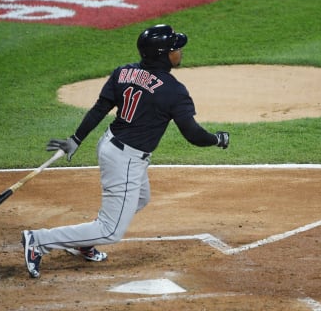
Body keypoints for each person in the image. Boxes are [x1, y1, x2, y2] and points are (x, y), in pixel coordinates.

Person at [21, 24, 230, 278]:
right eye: (175, 48)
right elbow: (193, 135)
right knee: (110, 231)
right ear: (163, 54)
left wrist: (76, 139)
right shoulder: (173, 91)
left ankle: (83, 242)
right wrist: (217, 139)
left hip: (112, 144)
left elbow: (100, 108)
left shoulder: (124, 72)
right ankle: (39, 240)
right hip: (126, 159)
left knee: (140, 199)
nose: (180, 51)